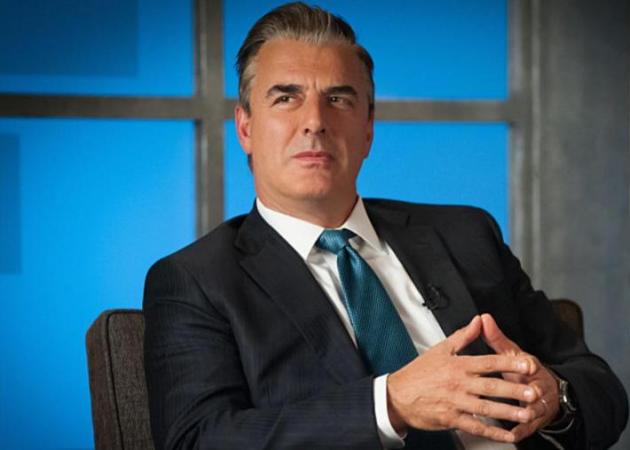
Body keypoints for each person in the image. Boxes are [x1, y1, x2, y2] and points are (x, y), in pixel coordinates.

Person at [142, 3, 628, 449]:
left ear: (369, 128)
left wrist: (554, 397)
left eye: (338, 98)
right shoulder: (197, 281)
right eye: (287, 98)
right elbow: (197, 440)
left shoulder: (466, 234)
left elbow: (601, 388)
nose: (315, 121)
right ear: (246, 127)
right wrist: (390, 403)